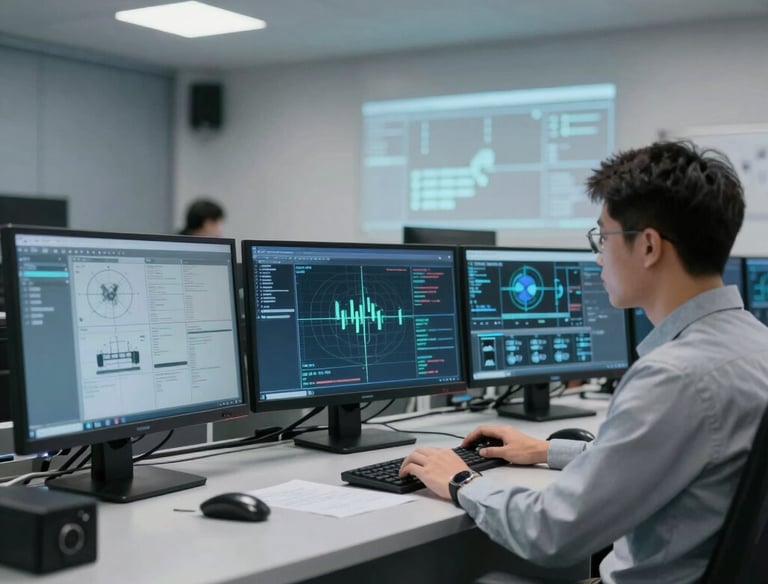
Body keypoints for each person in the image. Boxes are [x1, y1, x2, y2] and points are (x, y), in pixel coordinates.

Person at [400, 141, 768, 583]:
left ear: (648, 246)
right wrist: (544, 449)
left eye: (603, 237)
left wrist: (461, 482)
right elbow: (666, 454)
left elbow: (551, 532)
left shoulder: (674, 377)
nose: (598, 256)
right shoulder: (753, 345)